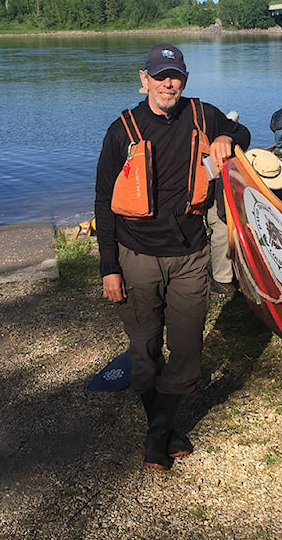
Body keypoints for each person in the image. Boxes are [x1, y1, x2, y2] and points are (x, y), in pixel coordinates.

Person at [94, 43, 250, 472]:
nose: (168, 83)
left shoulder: (202, 114)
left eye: (176, 76)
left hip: (189, 256)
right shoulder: (121, 130)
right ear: (143, 79)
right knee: (144, 351)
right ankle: (163, 430)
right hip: (136, 256)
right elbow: (103, 202)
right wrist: (109, 267)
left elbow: (244, 134)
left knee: (186, 352)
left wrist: (225, 136)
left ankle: (156, 436)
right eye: (160, 75)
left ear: (184, 80)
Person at [207, 110, 250, 295]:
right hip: (208, 190)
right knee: (221, 231)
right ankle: (222, 279)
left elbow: (244, 133)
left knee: (226, 230)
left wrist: (226, 137)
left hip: (222, 188)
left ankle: (230, 276)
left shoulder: (226, 133)